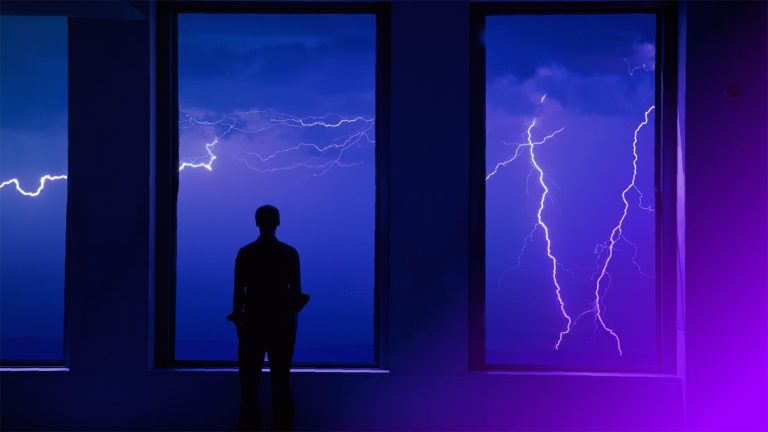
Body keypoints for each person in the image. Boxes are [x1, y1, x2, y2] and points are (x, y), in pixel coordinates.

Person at [228, 205, 301, 431]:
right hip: (281, 327)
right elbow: (295, 295)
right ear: (278, 222)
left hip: (252, 326)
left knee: (249, 388)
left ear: (256, 222)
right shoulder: (290, 253)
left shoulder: (245, 253)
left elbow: (238, 293)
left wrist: (240, 322)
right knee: (281, 384)